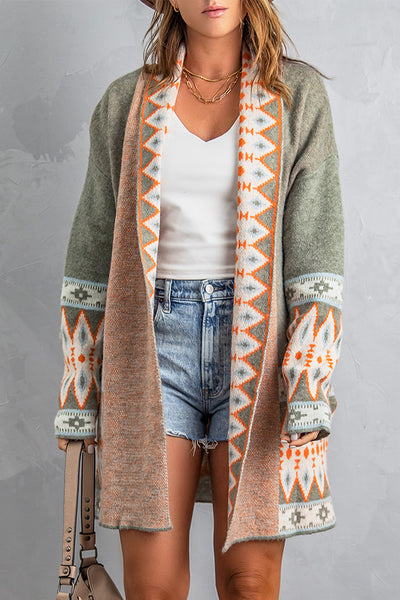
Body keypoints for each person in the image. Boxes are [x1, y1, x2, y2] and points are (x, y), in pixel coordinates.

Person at [54, 1, 344, 598]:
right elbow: (90, 252)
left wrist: (309, 380)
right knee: (154, 589)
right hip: (151, 351)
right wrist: (78, 392)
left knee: (248, 583)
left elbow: (316, 253)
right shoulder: (126, 103)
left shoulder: (297, 96)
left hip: (259, 354)